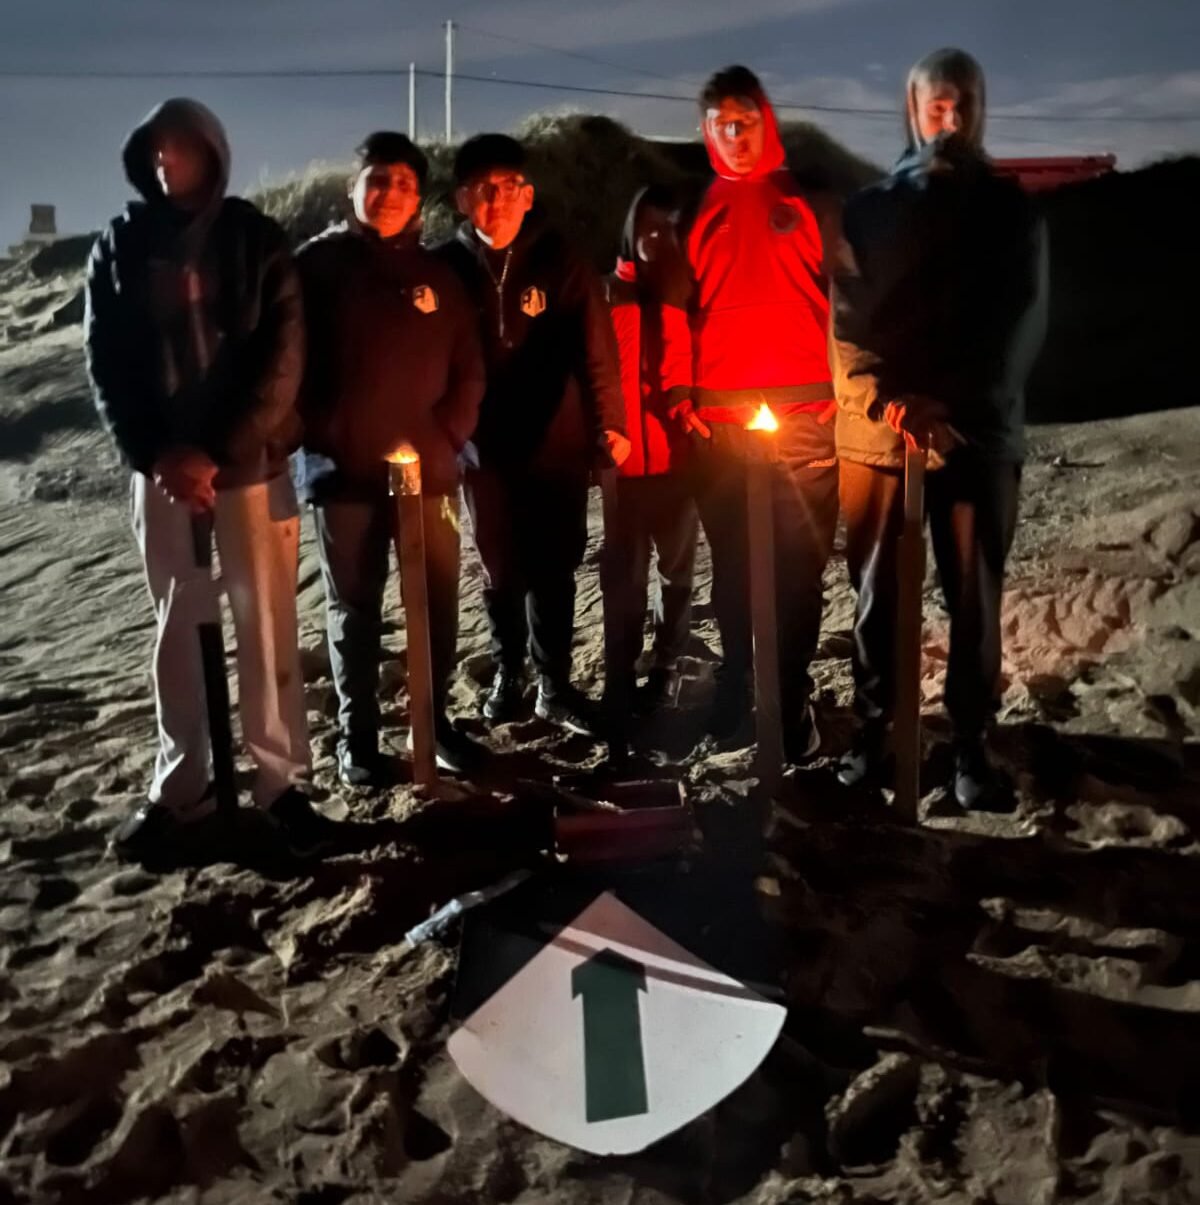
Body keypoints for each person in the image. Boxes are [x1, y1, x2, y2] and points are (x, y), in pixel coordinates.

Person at [84, 99, 323, 855]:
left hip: (249, 466)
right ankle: (182, 784)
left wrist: (217, 449)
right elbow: (108, 360)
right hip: (162, 472)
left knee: (265, 619)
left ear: (212, 152)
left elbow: (279, 358)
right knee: (178, 622)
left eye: (180, 147)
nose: (167, 160)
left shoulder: (254, 237)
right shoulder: (121, 244)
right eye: (156, 150)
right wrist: (158, 455)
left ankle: (280, 782)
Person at [830, 48, 1048, 808]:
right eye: (935, 107)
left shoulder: (1010, 210)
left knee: (972, 597)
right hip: (879, 439)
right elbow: (847, 320)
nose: (948, 121)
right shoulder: (868, 209)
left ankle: (970, 744)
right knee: (877, 595)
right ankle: (877, 732)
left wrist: (946, 404)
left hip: (974, 435)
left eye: (961, 107)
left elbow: (1016, 323)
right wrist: (885, 400)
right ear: (912, 109)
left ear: (978, 110)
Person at [294, 132, 486, 787]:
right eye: (378, 180)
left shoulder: (439, 275)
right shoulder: (316, 268)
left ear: (419, 197)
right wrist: (326, 433)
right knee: (355, 609)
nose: (390, 194)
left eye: (405, 184)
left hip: (428, 475)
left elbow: (469, 369)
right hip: (343, 475)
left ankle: (437, 725)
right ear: (355, 188)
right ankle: (359, 741)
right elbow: (288, 367)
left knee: (436, 599)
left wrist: (447, 435)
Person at [437, 134, 630, 735]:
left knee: (554, 562)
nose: (496, 202)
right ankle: (508, 671)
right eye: (482, 191)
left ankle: (554, 681)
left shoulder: (561, 259)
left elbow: (597, 351)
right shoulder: (447, 266)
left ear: (527, 194)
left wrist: (610, 423)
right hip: (481, 446)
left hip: (555, 441)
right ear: (463, 200)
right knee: (499, 565)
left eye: (508, 188)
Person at [684, 66, 841, 762]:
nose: (736, 134)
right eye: (722, 123)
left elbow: (850, 303)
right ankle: (739, 685)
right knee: (734, 568)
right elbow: (678, 313)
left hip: (804, 416)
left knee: (797, 565)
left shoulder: (806, 201)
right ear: (706, 131)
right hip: (720, 425)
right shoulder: (697, 210)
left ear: (766, 120)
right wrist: (683, 400)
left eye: (746, 120)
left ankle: (790, 695)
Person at [601, 185, 699, 736]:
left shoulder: (686, 293)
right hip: (624, 469)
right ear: (631, 228)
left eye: (668, 229)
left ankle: (667, 665)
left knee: (676, 575)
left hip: (678, 464)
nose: (656, 238)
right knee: (625, 578)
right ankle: (621, 670)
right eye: (648, 227)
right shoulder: (604, 293)